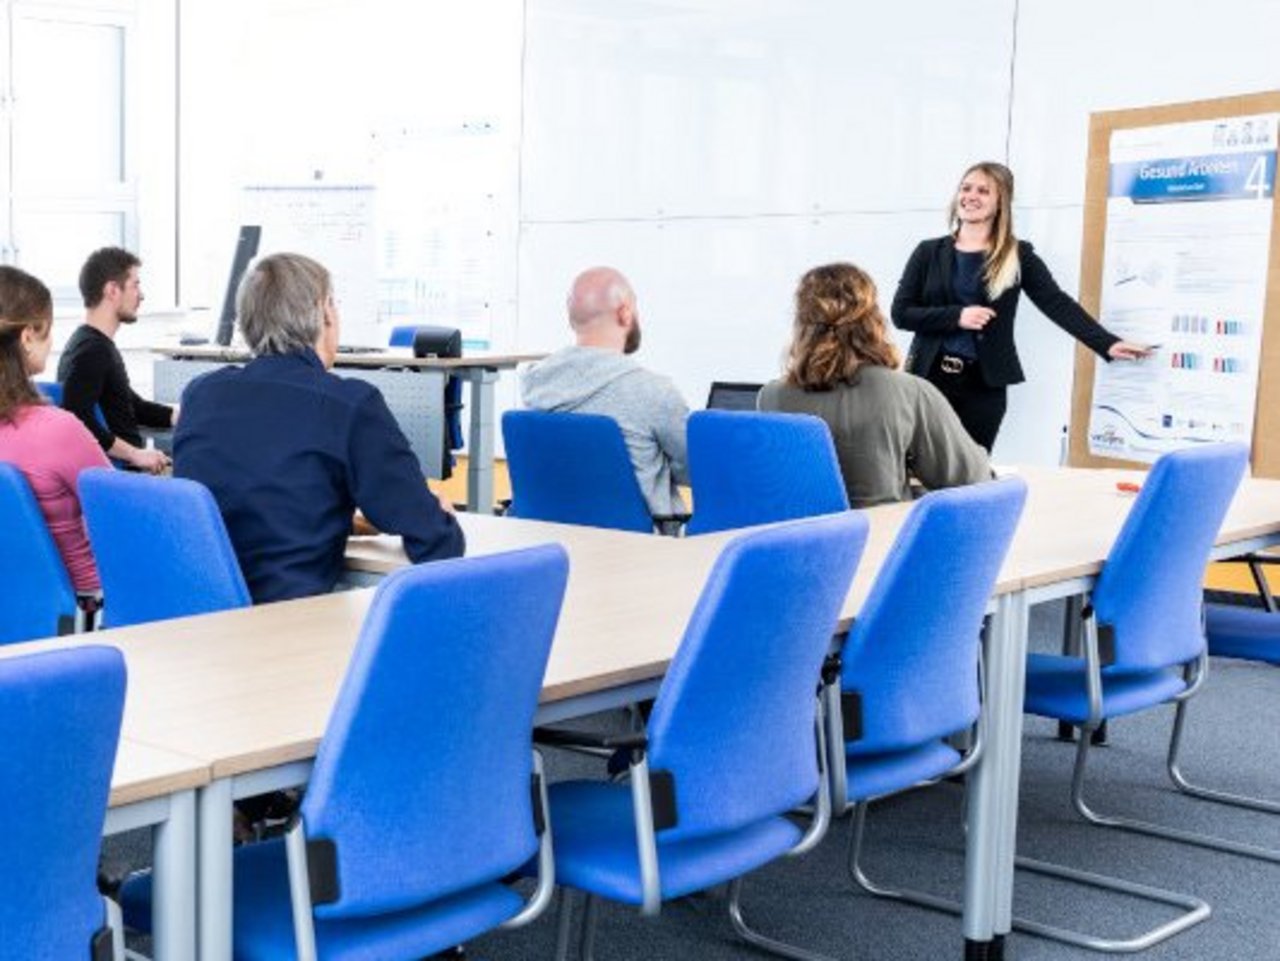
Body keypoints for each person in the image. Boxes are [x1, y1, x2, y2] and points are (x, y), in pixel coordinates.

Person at [173, 252, 464, 604]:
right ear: (325, 312)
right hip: (288, 626)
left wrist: (352, 523)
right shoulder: (349, 405)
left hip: (193, 623)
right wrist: (439, 520)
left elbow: (255, 508)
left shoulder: (201, 394)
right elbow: (433, 540)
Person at [891, 161, 1150, 451]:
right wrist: (957, 316)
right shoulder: (928, 252)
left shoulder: (1017, 255)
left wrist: (1107, 343)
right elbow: (901, 313)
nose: (971, 196)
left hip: (983, 385)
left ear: (1001, 202)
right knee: (913, 466)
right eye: (966, 188)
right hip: (928, 379)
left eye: (983, 191)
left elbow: (1056, 303)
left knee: (972, 473)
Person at [758, 262, 990, 509]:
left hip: (797, 542)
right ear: (873, 320)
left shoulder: (771, 397)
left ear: (802, 323)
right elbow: (970, 479)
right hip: (879, 539)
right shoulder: (908, 391)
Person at [520, 266, 690, 520]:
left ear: (571, 318)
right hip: (644, 549)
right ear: (625, 313)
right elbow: (697, 469)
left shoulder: (534, 386)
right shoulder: (653, 392)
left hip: (555, 542)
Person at [0, 266, 111, 593]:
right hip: (84, 609)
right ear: (27, 337)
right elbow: (120, 516)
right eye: (48, 330)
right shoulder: (57, 430)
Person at [57, 247, 176, 473]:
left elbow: (133, 406)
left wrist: (179, 415)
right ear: (112, 290)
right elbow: (75, 417)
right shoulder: (92, 350)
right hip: (123, 479)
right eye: (135, 285)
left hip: (127, 474)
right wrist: (135, 454)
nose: (141, 295)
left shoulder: (92, 344)